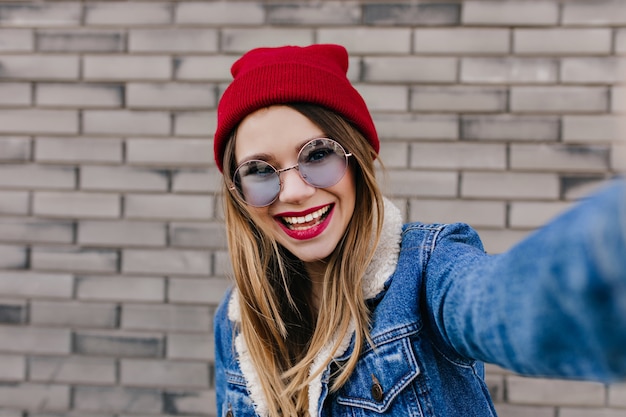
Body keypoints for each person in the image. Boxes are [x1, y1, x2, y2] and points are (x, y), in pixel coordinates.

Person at [212, 44, 626, 417]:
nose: (296, 192)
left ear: (359, 160)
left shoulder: (428, 272)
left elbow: (514, 304)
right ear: (238, 192)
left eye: (319, 154)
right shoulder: (235, 323)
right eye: (260, 171)